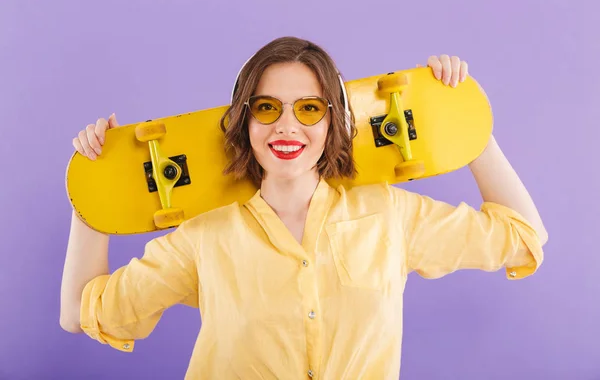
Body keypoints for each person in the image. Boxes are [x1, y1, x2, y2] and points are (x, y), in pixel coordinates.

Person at [60, 36, 548, 379]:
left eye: (309, 108)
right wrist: (93, 194)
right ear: (243, 122)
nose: (287, 127)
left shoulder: (389, 214)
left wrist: (465, 120)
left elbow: (523, 235)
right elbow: (83, 313)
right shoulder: (203, 235)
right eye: (267, 108)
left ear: (335, 120)